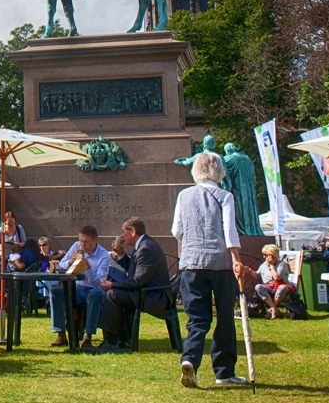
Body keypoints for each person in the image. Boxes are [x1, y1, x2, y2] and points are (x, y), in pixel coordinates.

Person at [171, 151, 245, 388]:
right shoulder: (224, 196)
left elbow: (176, 230)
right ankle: (224, 372)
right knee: (224, 317)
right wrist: (236, 259)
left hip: (191, 262)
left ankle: (189, 359)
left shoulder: (184, 195)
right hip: (220, 262)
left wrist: (192, 242)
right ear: (217, 170)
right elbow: (229, 230)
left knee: (196, 318)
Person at [95, 217, 172, 353]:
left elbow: (137, 280)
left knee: (112, 295)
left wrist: (112, 285)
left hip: (153, 296)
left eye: (123, 232)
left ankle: (111, 341)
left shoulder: (146, 248)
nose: (122, 236)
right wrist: (122, 256)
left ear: (133, 231)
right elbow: (134, 269)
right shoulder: (143, 245)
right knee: (113, 295)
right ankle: (123, 339)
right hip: (146, 291)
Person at [49, 225, 110, 349]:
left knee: (96, 294)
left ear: (95, 240)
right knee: (56, 291)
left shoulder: (104, 256)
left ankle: (88, 336)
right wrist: (70, 261)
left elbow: (99, 283)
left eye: (86, 242)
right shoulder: (76, 246)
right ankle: (61, 334)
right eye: (81, 241)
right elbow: (60, 266)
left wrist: (87, 268)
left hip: (92, 290)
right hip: (76, 288)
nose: (83, 245)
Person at [254, 244, 295, 321]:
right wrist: (248, 271)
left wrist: (272, 266)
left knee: (282, 288)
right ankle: (274, 309)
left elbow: (277, 277)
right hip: (269, 288)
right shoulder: (264, 264)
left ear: (272, 255)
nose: (264, 257)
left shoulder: (282, 264)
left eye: (265, 255)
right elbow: (256, 275)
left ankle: (272, 310)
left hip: (282, 289)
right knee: (258, 286)